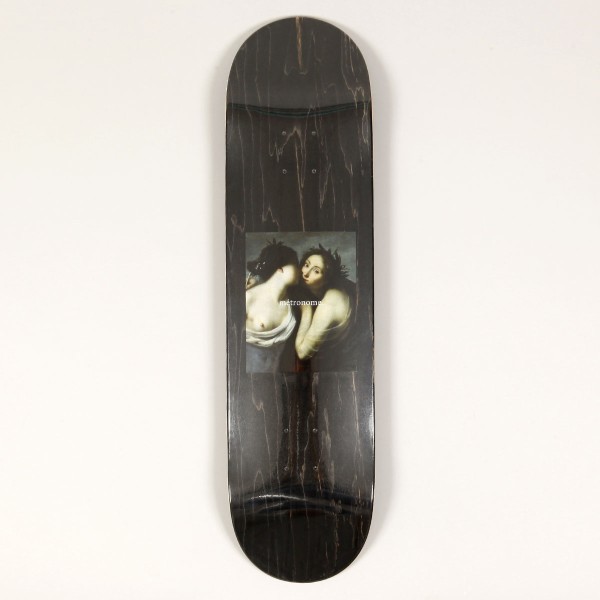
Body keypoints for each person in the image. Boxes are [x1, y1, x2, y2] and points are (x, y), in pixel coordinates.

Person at [295, 245, 357, 370]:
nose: (305, 273)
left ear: (326, 280)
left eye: (316, 271)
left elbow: (302, 353)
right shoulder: (336, 287)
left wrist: (306, 309)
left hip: (337, 363)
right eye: (306, 265)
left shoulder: (328, 305)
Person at [245, 240, 299, 372]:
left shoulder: (294, 299)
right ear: (280, 269)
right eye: (295, 265)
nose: (300, 270)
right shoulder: (249, 297)